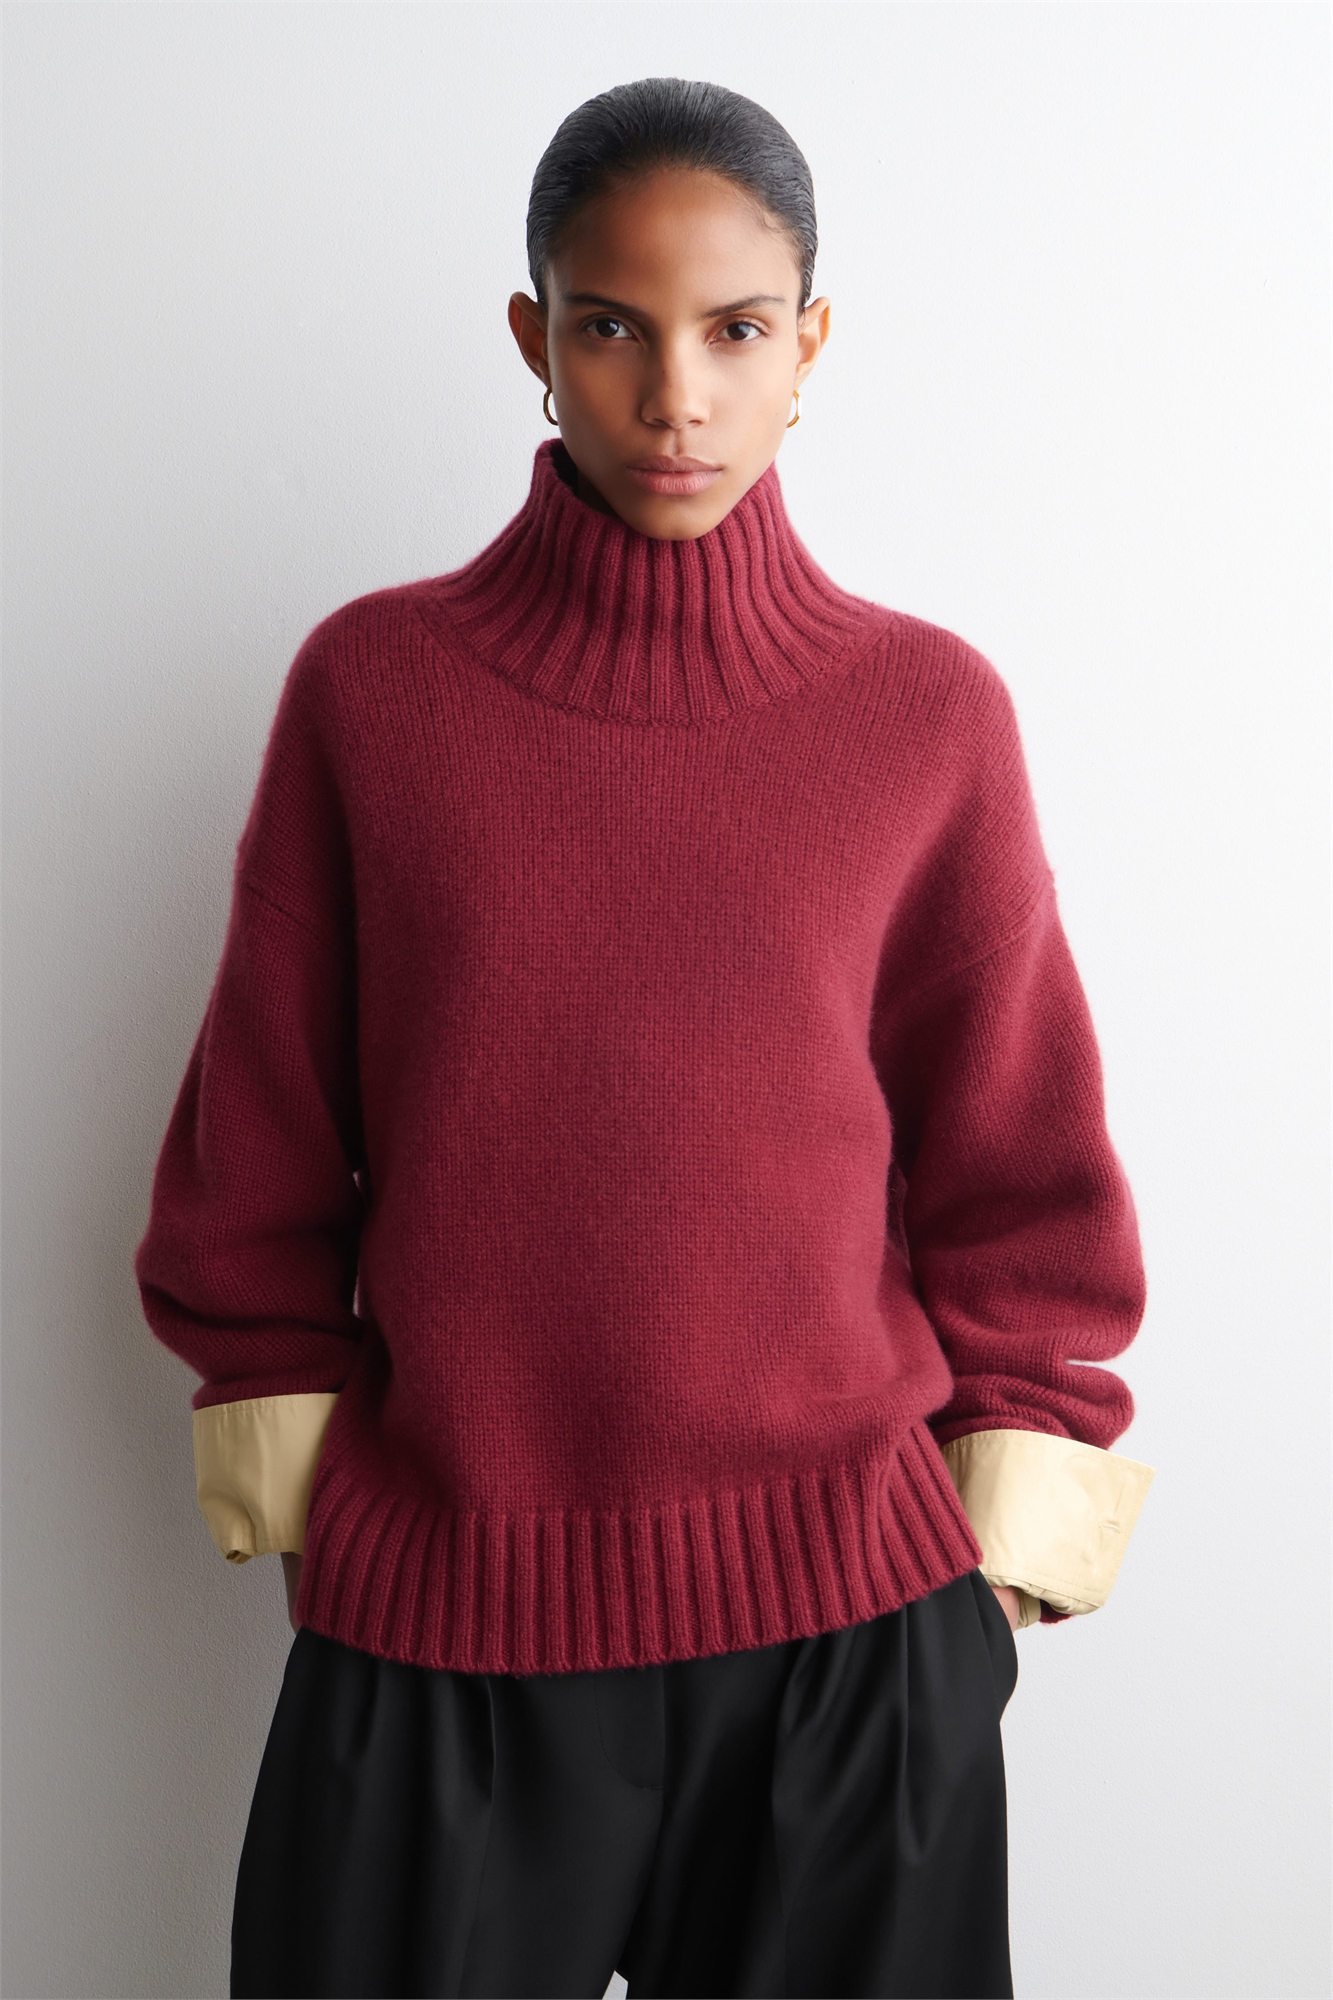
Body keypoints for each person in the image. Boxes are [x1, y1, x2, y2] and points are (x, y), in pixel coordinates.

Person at [135, 76, 1155, 2000]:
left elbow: (1017, 1170)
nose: (674, 394)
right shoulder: (375, 693)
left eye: (733, 329)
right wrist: (323, 1519)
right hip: (439, 1628)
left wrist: (992, 1580)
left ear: (809, 345)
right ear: (533, 337)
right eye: (611, 326)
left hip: (851, 1650)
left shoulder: (925, 716)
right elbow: (253, 1155)